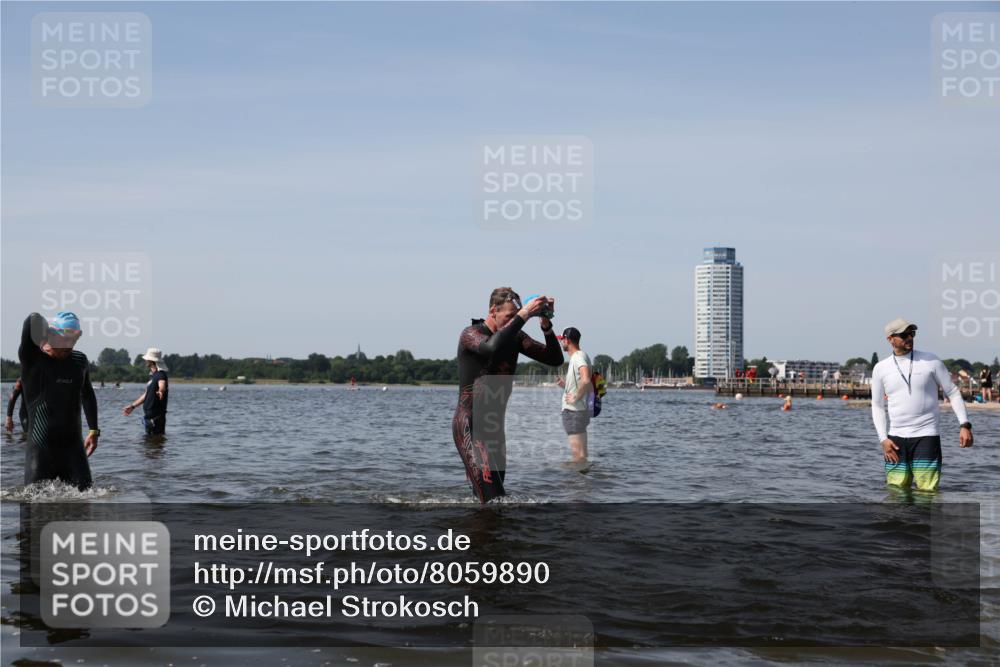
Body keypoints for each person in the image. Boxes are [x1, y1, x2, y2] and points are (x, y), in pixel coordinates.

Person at [452, 288, 563, 503]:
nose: (514, 321)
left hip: (494, 431)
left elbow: (555, 358)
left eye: (516, 316)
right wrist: (524, 314)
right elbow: (491, 347)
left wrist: (545, 325)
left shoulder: (516, 338)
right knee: (495, 500)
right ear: (493, 311)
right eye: (510, 316)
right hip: (470, 427)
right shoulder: (471, 334)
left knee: (493, 501)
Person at [870, 318, 973, 492]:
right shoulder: (881, 368)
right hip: (895, 440)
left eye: (912, 333)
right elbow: (877, 406)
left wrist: (964, 425)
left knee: (927, 492)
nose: (910, 337)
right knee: (896, 492)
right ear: (890, 339)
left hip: (927, 436)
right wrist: (883, 439)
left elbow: (953, 392)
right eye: (904, 335)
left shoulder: (931, 361)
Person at [18, 312, 99, 490]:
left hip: (73, 448)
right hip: (41, 449)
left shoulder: (79, 361)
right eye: (65, 340)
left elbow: (87, 394)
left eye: (74, 340)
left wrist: (94, 430)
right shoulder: (33, 360)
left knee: (86, 497)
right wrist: (46, 331)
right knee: (34, 502)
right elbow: (32, 319)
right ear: (51, 334)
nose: (69, 346)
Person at [555, 327, 592, 463]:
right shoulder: (582, 356)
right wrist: (565, 385)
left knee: (578, 456)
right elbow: (584, 383)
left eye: (562, 340)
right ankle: (584, 476)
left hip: (573, 412)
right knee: (582, 454)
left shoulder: (578, 357)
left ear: (567, 340)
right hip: (580, 411)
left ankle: (575, 477)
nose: (561, 342)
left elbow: (586, 380)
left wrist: (576, 397)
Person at [123, 348, 169, 435]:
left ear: (152, 361)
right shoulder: (153, 376)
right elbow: (146, 395)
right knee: (150, 442)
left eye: (147, 359)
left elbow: (162, 384)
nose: (145, 361)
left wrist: (161, 390)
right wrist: (132, 406)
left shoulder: (161, 374)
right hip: (149, 417)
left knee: (155, 441)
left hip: (156, 418)